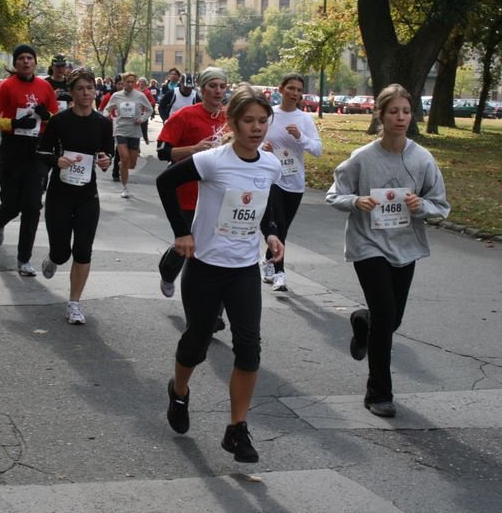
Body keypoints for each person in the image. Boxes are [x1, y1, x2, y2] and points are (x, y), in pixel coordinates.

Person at [156, 83, 283, 464]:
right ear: (233, 122)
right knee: (196, 340)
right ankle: (179, 392)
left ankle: (236, 428)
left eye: (263, 121)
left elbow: (267, 203)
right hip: (206, 267)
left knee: (249, 346)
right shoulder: (213, 160)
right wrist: (182, 232)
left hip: (243, 269)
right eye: (249, 121)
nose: (257, 128)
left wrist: (272, 232)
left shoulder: (270, 164)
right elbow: (166, 183)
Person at [325, 83, 450, 418]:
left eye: (406, 111)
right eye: (393, 111)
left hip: (405, 246)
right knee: (385, 316)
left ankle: (362, 322)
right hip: (368, 245)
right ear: (380, 115)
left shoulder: (422, 159)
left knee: (389, 320)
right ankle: (379, 392)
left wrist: (419, 204)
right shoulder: (363, 158)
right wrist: (356, 201)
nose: (400, 117)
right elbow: (334, 195)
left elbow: (441, 206)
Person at [37, 68, 112, 324]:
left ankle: (74, 304)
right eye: (80, 88)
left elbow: (107, 154)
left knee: (83, 251)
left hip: (87, 196)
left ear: (95, 91)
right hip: (60, 194)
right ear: (71, 92)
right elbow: (42, 151)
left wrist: (105, 160)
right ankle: (53, 258)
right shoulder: (59, 121)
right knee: (62, 252)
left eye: (90, 88)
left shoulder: (103, 123)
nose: (86, 93)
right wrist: (56, 160)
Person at [0, 44, 59, 276]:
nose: (26, 62)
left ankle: (24, 259)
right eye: (22, 58)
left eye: (30, 58)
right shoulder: (6, 86)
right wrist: (13, 124)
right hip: (12, 149)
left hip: (37, 150)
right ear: (15, 63)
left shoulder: (45, 87)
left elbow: (57, 119)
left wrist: (48, 117)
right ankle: (0, 219)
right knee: (13, 203)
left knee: (33, 205)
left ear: (35, 62)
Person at [156, 66, 227, 303]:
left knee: (210, 250)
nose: (217, 91)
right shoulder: (185, 116)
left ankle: (212, 311)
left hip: (219, 195)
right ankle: (168, 271)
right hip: (186, 193)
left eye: (222, 86)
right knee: (187, 244)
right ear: (201, 87)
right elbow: (162, 152)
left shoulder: (231, 119)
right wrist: (194, 150)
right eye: (212, 86)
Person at [260, 73, 322, 291]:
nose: (294, 93)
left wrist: (300, 137)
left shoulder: (304, 119)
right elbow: (255, 140)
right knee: (279, 225)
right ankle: (280, 273)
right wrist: (263, 148)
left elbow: (317, 150)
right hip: (273, 179)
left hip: (295, 181)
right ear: (281, 89)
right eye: (291, 88)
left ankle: (268, 260)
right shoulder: (270, 115)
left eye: (298, 90)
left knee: (283, 228)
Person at [103, 72, 152, 199]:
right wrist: (106, 115)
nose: (129, 84)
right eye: (127, 82)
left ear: (135, 83)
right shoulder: (116, 96)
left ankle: (122, 166)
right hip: (120, 130)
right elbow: (107, 109)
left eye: (132, 82)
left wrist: (142, 119)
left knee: (132, 164)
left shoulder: (140, 96)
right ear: (123, 83)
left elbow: (150, 109)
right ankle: (125, 188)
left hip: (134, 131)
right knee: (124, 158)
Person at [137, 77, 156, 144]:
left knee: (144, 128)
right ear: (138, 83)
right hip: (136, 113)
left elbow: (153, 101)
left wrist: (146, 104)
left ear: (145, 84)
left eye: (143, 82)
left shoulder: (147, 92)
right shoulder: (135, 91)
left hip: (144, 113)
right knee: (136, 130)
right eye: (140, 82)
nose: (141, 83)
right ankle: (137, 147)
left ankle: (145, 138)